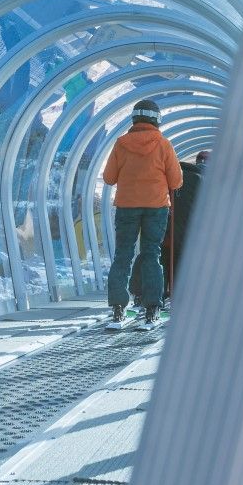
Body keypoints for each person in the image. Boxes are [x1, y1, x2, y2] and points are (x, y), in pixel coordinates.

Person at [101, 100, 181, 326]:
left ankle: (118, 309)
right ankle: (152, 309)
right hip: (156, 207)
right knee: (151, 254)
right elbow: (176, 181)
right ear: (157, 119)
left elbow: (108, 178)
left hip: (127, 206)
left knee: (123, 255)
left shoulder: (121, 143)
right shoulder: (164, 144)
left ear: (134, 118)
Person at [163, 146, 207, 301]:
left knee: (165, 258)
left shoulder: (172, 177)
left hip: (166, 230)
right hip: (190, 234)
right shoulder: (203, 181)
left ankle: (159, 295)